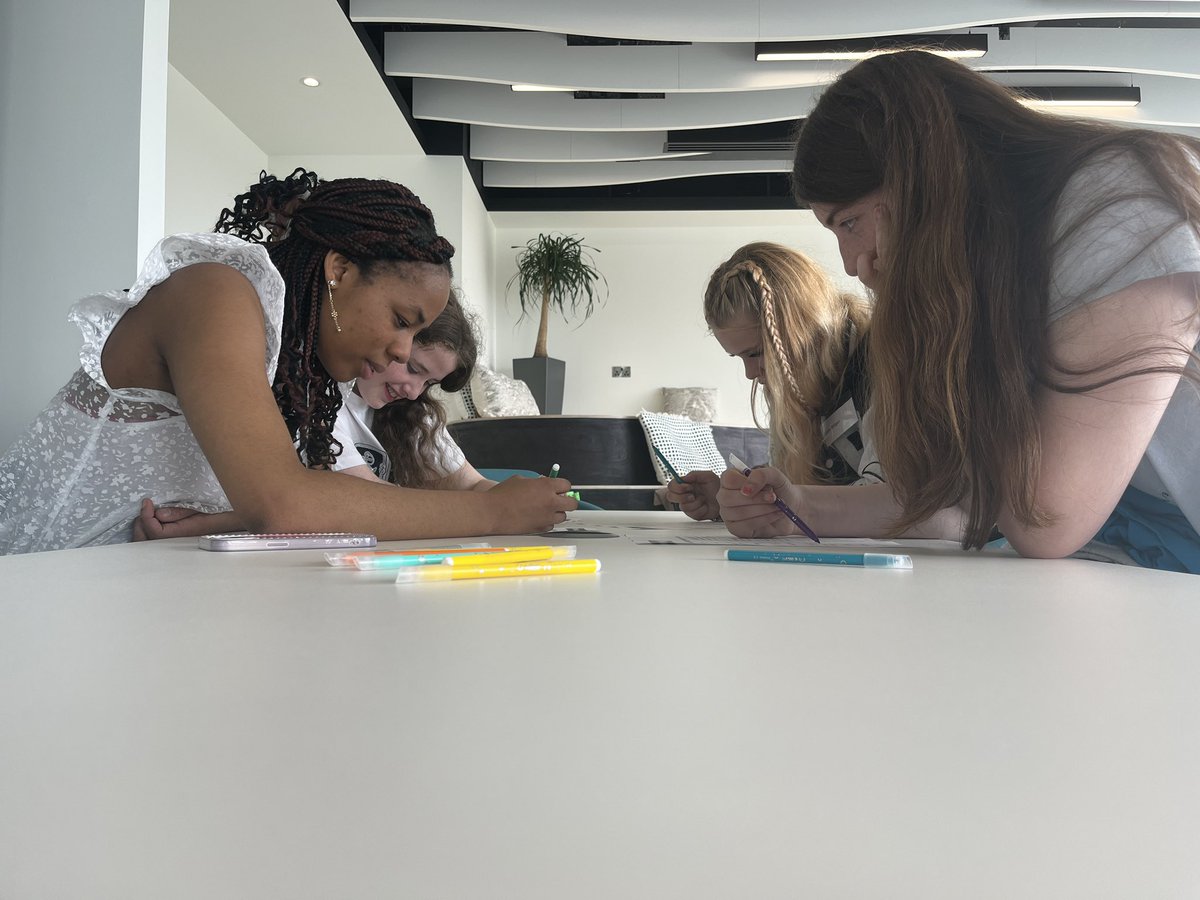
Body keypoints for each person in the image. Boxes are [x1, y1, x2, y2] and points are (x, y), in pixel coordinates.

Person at [719, 51, 1200, 572]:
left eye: (849, 223)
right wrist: (797, 509)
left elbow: (1044, 518)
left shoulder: (1117, 202)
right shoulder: (1008, 268)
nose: (851, 263)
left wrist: (933, 313)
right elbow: (957, 499)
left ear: (921, 180)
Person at [0, 169, 573, 554]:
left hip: (148, 581)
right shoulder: (214, 293)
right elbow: (284, 501)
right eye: (402, 320)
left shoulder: (294, 360)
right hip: (45, 581)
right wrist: (494, 513)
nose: (402, 352)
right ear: (339, 270)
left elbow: (275, 501)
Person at [132, 291, 499, 540]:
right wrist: (495, 511)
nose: (415, 391)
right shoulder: (318, 397)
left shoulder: (414, 414)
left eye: (429, 382)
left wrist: (518, 500)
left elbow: (472, 485)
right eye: (414, 369)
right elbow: (365, 502)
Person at [666, 242, 879, 522]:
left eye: (757, 353)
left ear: (802, 329)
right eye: (739, 357)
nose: (750, 373)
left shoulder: (881, 366)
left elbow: (895, 501)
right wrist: (732, 499)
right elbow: (795, 483)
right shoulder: (794, 389)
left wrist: (774, 505)